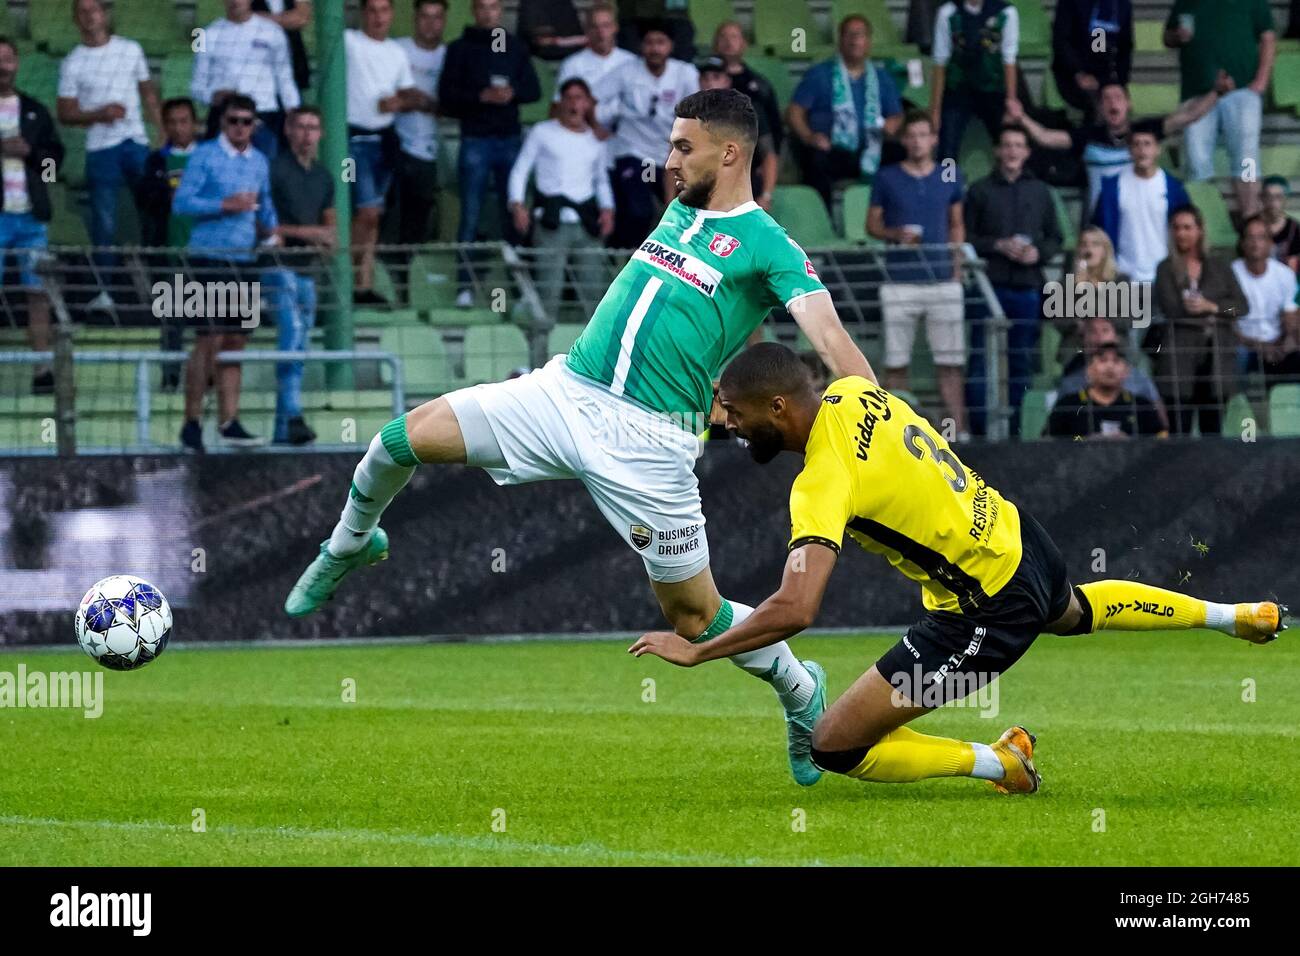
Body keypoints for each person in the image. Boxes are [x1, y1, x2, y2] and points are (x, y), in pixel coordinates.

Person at [284, 89, 876, 789]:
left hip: (649, 441)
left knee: (695, 619)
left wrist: (878, 424)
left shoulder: (769, 246)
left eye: (685, 146)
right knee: (399, 438)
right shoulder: (680, 210)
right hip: (564, 391)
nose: (670, 158)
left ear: (732, 152)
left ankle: (800, 692)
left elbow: (832, 338)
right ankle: (351, 542)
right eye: (671, 144)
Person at [629, 342, 1285, 793]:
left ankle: (1000, 763)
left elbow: (797, 608)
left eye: (736, 414)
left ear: (778, 408)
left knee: (835, 745)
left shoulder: (821, 482)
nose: (730, 426)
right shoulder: (856, 392)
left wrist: (699, 652)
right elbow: (840, 353)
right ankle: (1236, 616)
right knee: (1078, 608)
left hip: (984, 613)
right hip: (1018, 537)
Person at [171, 94, 278, 453]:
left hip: (244, 261)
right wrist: (225, 205)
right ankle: (192, 422)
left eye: (247, 121)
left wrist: (273, 231)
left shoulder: (260, 161)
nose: (240, 127)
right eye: (234, 120)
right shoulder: (204, 156)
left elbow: (266, 207)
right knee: (209, 338)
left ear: (254, 125)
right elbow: (182, 202)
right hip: (208, 259)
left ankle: (229, 421)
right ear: (222, 122)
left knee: (236, 342)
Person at [867, 111, 968, 437]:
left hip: (943, 278)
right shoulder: (886, 177)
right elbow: (872, 225)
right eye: (911, 135)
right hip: (900, 279)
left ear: (933, 139)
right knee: (896, 363)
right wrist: (896, 234)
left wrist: (957, 268)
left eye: (924, 134)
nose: (917, 141)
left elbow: (957, 223)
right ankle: (899, 435)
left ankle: (958, 435)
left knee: (951, 364)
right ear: (904, 140)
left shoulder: (950, 174)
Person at [57, 0, 161, 312]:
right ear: (76, 19)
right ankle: (105, 290)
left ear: (105, 14)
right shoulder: (72, 62)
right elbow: (65, 113)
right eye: (83, 12)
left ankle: (163, 283)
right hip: (101, 149)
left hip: (137, 142)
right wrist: (99, 113)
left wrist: (160, 130)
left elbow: (148, 91)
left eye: (95, 10)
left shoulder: (131, 49)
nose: (90, 16)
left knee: (157, 211)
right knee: (104, 222)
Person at [439, 0, 540, 304]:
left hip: (509, 140)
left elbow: (533, 90)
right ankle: (465, 288)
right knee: (470, 216)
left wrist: (512, 93)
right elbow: (446, 97)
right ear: (474, 10)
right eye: (482, 7)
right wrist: (481, 95)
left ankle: (518, 289)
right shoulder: (459, 48)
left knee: (513, 214)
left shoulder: (516, 47)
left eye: (494, 7)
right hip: (475, 140)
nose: (488, 12)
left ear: (500, 11)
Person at [963, 124, 1062, 434]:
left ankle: (1018, 432)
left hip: (1027, 287)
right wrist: (998, 245)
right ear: (997, 150)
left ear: (1027, 152)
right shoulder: (979, 190)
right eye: (1007, 145)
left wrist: (1038, 253)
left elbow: (1056, 238)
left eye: (1018, 145)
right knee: (980, 360)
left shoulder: (1041, 191)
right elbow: (966, 238)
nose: (1012, 151)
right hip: (987, 285)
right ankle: (979, 434)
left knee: (1021, 363)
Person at [1007, 81, 1221, 217]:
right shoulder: (1088, 136)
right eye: (1106, 99)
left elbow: (1189, 116)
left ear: (1128, 104)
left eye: (1118, 97)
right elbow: (1045, 137)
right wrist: (1021, 118)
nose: (1112, 102)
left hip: (1140, 217)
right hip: (1100, 221)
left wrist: (1216, 92)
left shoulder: (1145, 131)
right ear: (1100, 108)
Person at [507, 78, 614, 323]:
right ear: (561, 102)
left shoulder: (595, 140)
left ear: (587, 104)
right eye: (569, 98)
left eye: (580, 98)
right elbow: (521, 170)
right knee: (548, 290)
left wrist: (608, 210)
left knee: (594, 290)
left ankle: (593, 355)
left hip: (586, 223)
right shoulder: (542, 131)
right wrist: (517, 205)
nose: (574, 104)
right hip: (551, 222)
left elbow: (601, 181)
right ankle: (543, 349)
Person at [1164, 0, 1276, 218]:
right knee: (1196, 160)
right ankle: (1202, 225)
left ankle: (1251, 217)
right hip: (1197, 92)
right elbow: (1167, 37)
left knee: (1248, 158)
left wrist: (1261, 81)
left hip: (1242, 90)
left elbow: (1268, 38)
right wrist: (1178, 36)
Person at [268, 105, 336, 446]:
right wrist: (313, 234)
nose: (307, 134)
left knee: (300, 344)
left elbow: (331, 229)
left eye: (313, 127)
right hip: (280, 266)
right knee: (292, 337)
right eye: (301, 127)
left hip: (309, 270)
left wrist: (321, 238)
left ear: (321, 133)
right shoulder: (275, 170)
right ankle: (292, 416)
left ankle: (284, 428)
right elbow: (269, 226)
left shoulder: (324, 176)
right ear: (289, 131)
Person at [0, 37, 64, 395]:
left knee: (38, 293)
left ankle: (42, 370)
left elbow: (55, 169)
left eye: (7, 59)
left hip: (31, 219)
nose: (2, 66)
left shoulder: (35, 111)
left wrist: (33, 156)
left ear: (17, 63)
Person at [786, 15, 903, 210]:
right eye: (849, 34)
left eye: (860, 35)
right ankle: (823, 221)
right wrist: (809, 136)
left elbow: (896, 115)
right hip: (832, 149)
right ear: (840, 40)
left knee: (901, 155)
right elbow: (794, 111)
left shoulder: (882, 77)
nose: (855, 39)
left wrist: (892, 125)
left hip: (870, 147)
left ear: (869, 42)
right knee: (815, 159)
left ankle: (890, 217)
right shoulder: (820, 74)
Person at [345, 0, 420, 305]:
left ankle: (362, 284)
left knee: (373, 218)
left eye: (384, 10)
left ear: (391, 15)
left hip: (384, 140)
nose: (378, 17)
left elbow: (406, 92)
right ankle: (348, 280)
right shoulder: (349, 42)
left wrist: (398, 104)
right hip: (353, 139)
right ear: (363, 14)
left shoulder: (397, 52)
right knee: (366, 212)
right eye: (372, 10)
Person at [598, 22, 698, 249]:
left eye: (660, 43)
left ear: (670, 46)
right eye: (649, 43)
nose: (655, 48)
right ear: (642, 47)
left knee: (682, 209)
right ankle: (625, 254)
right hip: (636, 153)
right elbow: (592, 98)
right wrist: (597, 125)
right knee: (639, 209)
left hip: (672, 155)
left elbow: (698, 115)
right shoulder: (626, 70)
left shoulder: (685, 73)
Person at [1151, 205, 1248, 436]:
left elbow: (1241, 307)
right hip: (1179, 358)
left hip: (1216, 358)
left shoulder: (1220, 266)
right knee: (1179, 430)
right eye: (1176, 228)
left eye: (1187, 227)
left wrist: (1211, 307)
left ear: (1200, 230)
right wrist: (1214, 316)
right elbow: (1173, 309)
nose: (1181, 233)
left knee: (1212, 429)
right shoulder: (1165, 268)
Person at [138, 97, 200, 390]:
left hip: (206, 252)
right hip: (170, 250)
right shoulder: (155, 161)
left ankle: (206, 378)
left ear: (194, 124)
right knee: (173, 318)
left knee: (208, 321)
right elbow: (146, 201)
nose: (178, 127)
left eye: (183, 121)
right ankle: (171, 376)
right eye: (172, 122)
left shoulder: (208, 158)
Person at [191, 0, 300, 158]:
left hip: (264, 116)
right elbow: (196, 86)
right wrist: (213, 96)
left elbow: (285, 79)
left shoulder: (273, 32)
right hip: (224, 116)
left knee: (266, 172)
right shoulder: (204, 34)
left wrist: (293, 113)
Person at [1091, 129, 1190, 284]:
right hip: (1122, 275)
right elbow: (1098, 230)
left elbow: (1187, 230)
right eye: (1136, 145)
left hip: (1164, 276)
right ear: (1130, 151)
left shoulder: (1174, 188)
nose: (1142, 150)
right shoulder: (1111, 188)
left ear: (1158, 149)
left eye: (1147, 144)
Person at [387, 0, 446, 252]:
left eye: (436, 17)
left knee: (418, 215)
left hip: (429, 148)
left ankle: (409, 270)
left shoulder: (449, 55)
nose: (430, 23)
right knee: (381, 209)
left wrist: (415, 99)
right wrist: (420, 101)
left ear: (444, 21)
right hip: (392, 141)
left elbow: (454, 104)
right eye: (425, 16)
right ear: (415, 19)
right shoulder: (397, 49)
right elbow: (386, 98)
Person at [930, 0, 1021, 163]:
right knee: (947, 147)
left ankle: (1009, 183)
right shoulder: (948, 13)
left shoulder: (1006, 13)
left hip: (994, 89)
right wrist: (935, 111)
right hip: (957, 90)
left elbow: (1009, 60)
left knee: (1008, 142)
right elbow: (940, 62)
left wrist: (1011, 100)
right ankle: (947, 184)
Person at [1231, 214, 1300, 392]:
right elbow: (1228, 324)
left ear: (1270, 243)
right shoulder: (1230, 274)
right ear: (1242, 243)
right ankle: (1237, 407)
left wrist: (1287, 341)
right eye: (1250, 237)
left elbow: (1291, 316)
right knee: (1234, 357)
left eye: (1261, 237)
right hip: (1244, 346)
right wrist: (1259, 346)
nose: (1256, 243)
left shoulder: (1285, 274)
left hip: (1276, 344)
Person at [698, 57, 776, 211]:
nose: (709, 83)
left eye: (716, 77)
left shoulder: (749, 112)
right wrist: (670, 202)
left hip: (744, 184)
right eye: (705, 78)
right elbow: (676, 157)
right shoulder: (689, 115)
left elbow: (768, 155)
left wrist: (766, 195)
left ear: (727, 81)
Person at [1051, 316, 1163, 421]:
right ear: (1084, 338)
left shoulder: (1139, 382)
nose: (1099, 338)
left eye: (1105, 330)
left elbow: (1160, 424)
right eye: (1092, 331)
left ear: (1115, 337)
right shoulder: (1071, 384)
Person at [1046, 343, 1167, 438]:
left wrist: (1130, 444)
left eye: (1116, 361)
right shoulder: (1069, 404)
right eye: (1103, 360)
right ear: (1089, 370)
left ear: (1126, 371)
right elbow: (1048, 442)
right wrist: (1083, 443)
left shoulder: (1141, 406)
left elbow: (1159, 442)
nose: (1110, 366)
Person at [554, 2, 636, 121]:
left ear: (615, 27)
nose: (600, 32)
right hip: (585, 129)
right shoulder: (572, 64)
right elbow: (559, 106)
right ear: (586, 30)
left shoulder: (631, 62)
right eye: (594, 27)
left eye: (606, 26)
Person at [711, 21, 782, 156]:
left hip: (752, 158)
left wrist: (772, 160)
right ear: (715, 45)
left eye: (734, 37)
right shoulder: (698, 78)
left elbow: (774, 125)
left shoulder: (759, 84)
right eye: (723, 37)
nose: (728, 42)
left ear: (744, 44)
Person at [1050, 0, 1133, 115]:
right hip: (1070, 74)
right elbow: (1061, 42)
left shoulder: (1123, 4)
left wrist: (1121, 85)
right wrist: (1078, 72)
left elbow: (1125, 48)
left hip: (1104, 74)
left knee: (1115, 99)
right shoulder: (1070, 2)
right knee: (1097, 99)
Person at [252, 0, 313, 96]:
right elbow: (241, 16)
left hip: (294, 63)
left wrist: (262, 20)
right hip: (257, 65)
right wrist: (287, 19)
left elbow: (302, 18)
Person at [517, 0, 586, 61]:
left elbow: (577, 33)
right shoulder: (531, 4)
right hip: (540, 53)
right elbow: (540, 39)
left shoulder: (564, 3)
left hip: (572, 50)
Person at [1261, 175, 1300, 273]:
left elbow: (1293, 268)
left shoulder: (1294, 229)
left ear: (1286, 199)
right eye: (1268, 196)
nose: (1273, 202)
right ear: (1262, 198)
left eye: (1278, 197)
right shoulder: (1253, 226)